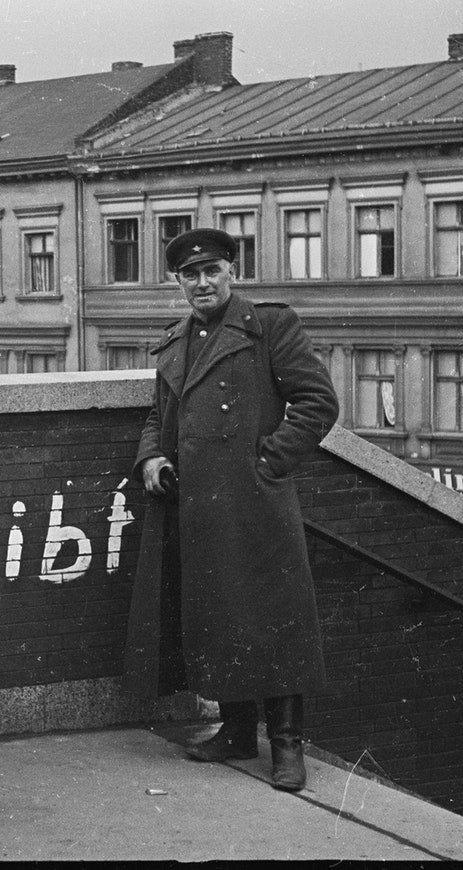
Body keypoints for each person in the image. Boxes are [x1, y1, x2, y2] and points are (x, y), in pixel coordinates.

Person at [123, 227, 339, 791]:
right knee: (218, 618)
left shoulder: (268, 326)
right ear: (178, 282)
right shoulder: (177, 340)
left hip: (256, 505)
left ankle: (287, 746)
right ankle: (238, 731)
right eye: (190, 275)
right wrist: (151, 457)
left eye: (212, 271)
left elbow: (317, 402)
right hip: (197, 508)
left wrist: (267, 464)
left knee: (275, 622)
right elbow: (159, 415)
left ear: (231, 273)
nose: (202, 283)